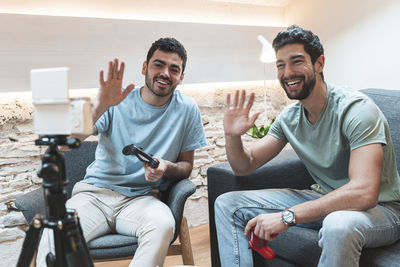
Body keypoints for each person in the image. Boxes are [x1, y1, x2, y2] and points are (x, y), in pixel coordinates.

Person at [214, 25, 400, 267]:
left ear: (319, 63)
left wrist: (288, 216)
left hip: (381, 210)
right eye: (280, 65)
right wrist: (232, 136)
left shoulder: (357, 110)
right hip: (323, 195)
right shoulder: (289, 118)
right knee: (228, 204)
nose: (287, 72)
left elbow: (364, 192)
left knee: (338, 224)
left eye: (296, 61)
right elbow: (244, 165)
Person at [37, 37, 207, 267]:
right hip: (94, 196)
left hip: (142, 200)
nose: (165, 73)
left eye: (174, 69)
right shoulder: (116, 101)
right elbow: (65, 144)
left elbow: (186, 166)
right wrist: (100, 106)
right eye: (158, 64)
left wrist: (167, 167)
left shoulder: (187, 109)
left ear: (181, 77)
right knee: (53, 238)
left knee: (163, 224)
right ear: (145, 67)